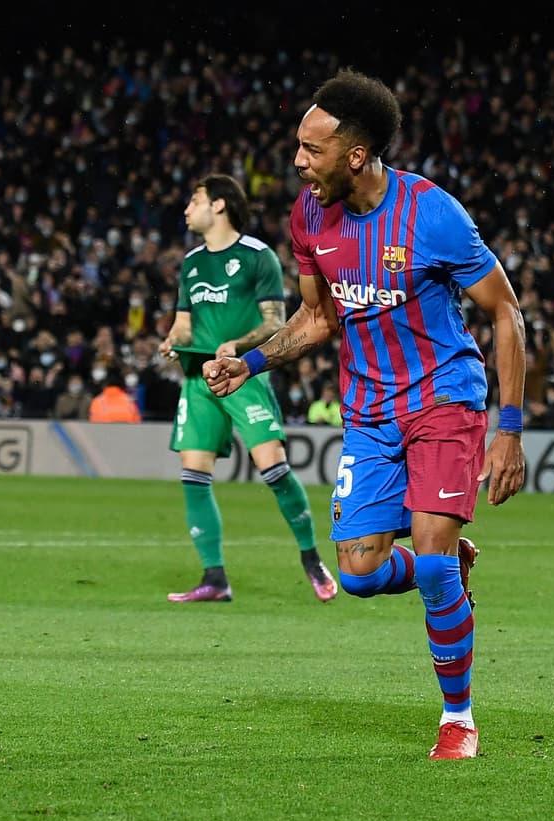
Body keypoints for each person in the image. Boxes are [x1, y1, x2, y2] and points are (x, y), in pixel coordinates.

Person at [201, 70, 527, 760]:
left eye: (311, 149)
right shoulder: (309, 215)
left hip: (443, 398)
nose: (298, 161)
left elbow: (506, 311)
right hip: (370, 412)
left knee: (432, 565)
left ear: (355, 155)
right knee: (358, 573)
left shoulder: (433, 214)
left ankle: (458, 718)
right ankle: (450, 564)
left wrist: (511, 430)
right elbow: (317, 317)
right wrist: (250, 362)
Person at [159, 174, 337, 605]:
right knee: (193, 474)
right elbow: (183, 324)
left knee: (273, 468)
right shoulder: (191, 263)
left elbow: (275, 322)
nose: (187, 209)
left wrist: (237, 345)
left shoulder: (258, 257)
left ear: (219, 205)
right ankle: (215, 578)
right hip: (198, 380)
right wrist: (171, 341)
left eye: (195, 200)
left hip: (243, 377)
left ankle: (311, 558)